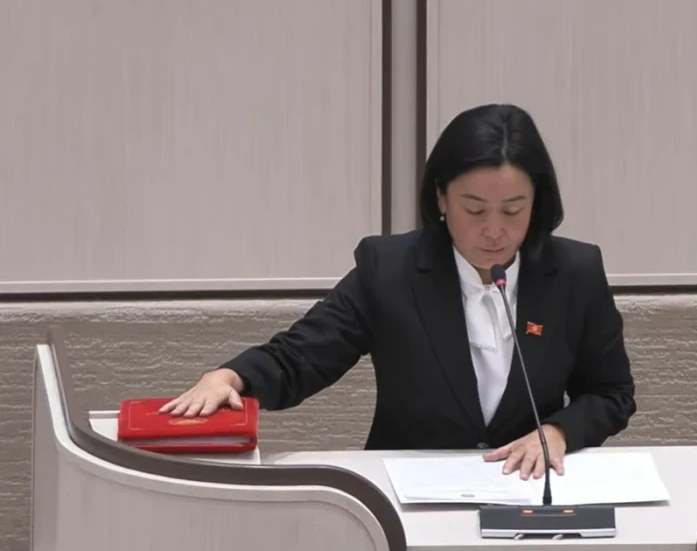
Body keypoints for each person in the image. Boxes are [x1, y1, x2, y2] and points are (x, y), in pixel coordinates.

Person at [161, 103, 636, 481]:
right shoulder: (390, 271)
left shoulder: (575, 273)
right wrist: (231, 378)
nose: (494, 231)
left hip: (527, 488)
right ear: (441, 198)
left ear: (538, 203)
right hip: (409, 493)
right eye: (474, 210)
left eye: (513, 210)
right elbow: (302, 356)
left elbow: (611, 393)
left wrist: (557, 431)